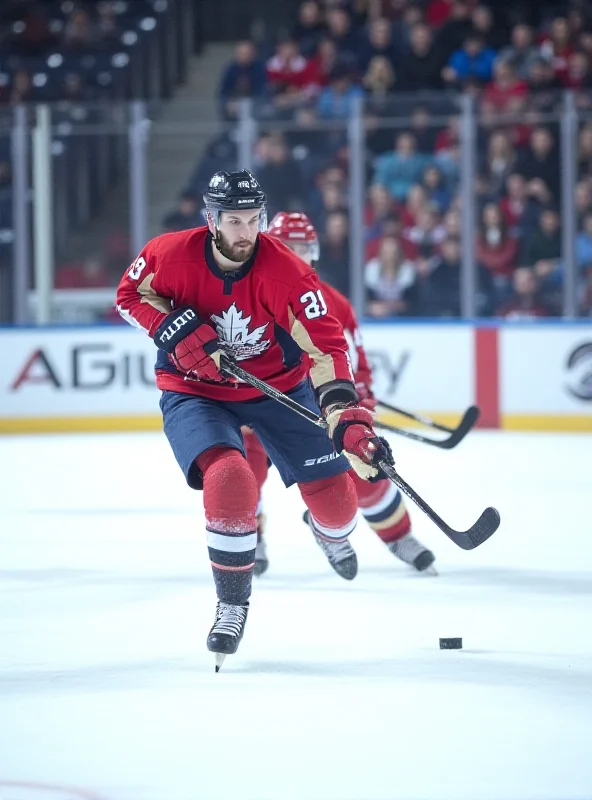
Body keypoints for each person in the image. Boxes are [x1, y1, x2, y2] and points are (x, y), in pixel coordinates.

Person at [115, 170, 389, 670]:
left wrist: (345, 414)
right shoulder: (168, 253)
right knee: (230, 477)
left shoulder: (288, 274)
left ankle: (325, 529)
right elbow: (129, 297)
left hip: (279, 390)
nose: (245, 232)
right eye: (234, 221)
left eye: (253, 220)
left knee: (339, 511)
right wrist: (167, 327)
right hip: (195, 389)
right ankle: (231, 605)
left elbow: (326, 347)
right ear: (211, 220)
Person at [247, 211, 436, 578]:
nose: (294, 254)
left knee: (364, 464)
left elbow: (350, 355)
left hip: (318, 405)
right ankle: (248, 536)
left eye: (301, 247)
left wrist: (358, 399)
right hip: (257, 403)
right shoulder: (249, 289)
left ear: (313, 250)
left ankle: (397, 535)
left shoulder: (329, 301)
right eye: (286, 247)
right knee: (245, 470)